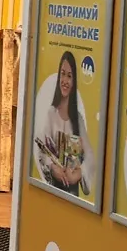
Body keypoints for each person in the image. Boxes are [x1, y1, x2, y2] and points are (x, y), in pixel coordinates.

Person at [35, 50, 90, 196]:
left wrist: (78, 174)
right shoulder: (50, 114)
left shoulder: (79, 120)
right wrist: (53, 167)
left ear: (74, 81)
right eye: (63, 74)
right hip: (53, 191)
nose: (65, 80)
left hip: (73, 195)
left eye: (69, 76)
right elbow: (42, 152)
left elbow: (90, 159)